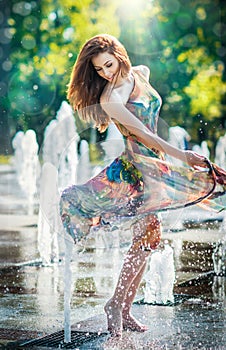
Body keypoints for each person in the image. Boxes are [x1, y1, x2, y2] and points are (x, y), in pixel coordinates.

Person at [60, 34, 225, 338]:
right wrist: (183, 156)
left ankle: (122, 307)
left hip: (156, 165)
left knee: (148, 240)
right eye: (99, 70)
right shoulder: (111, 99)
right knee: (146, 239)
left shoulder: (142, 73)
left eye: (108, 64)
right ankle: (115, 306)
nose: (106, 73)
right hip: (137, 171)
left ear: (119, 55)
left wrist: (173, 158)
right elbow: (144, 136)